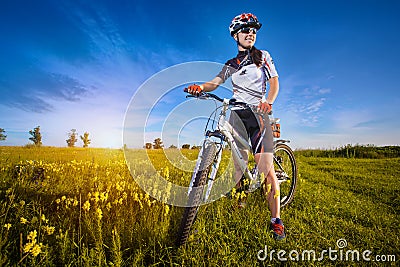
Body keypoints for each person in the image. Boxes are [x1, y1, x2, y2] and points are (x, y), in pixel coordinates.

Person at [186, 13, 285, 240]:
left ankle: (276, 220)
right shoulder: (231, 64)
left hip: (258, 116)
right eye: (245, 30)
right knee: (238, 169)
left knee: (267, 171)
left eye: (253, 30)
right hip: (237, 116)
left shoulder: (263, 56)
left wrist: (267, 101)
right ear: (235, 35)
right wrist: (200, 87)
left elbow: (274, 83)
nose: (250, 33)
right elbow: (215, 82)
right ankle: (239, 205)